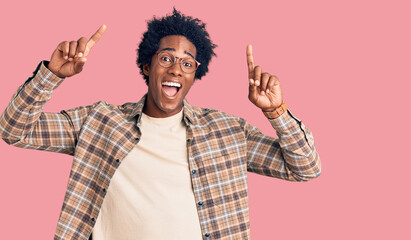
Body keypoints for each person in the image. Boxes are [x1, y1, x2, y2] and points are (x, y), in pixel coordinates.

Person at [0, 9, 321, 240]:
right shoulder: (98, 121)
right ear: (147, 64)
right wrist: (52, 75)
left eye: (187, 63)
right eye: (166, 58)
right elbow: (14, 130)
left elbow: (305, 168)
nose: (176, 69)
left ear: (195, 74)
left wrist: (277, 110)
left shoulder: (228, 132)